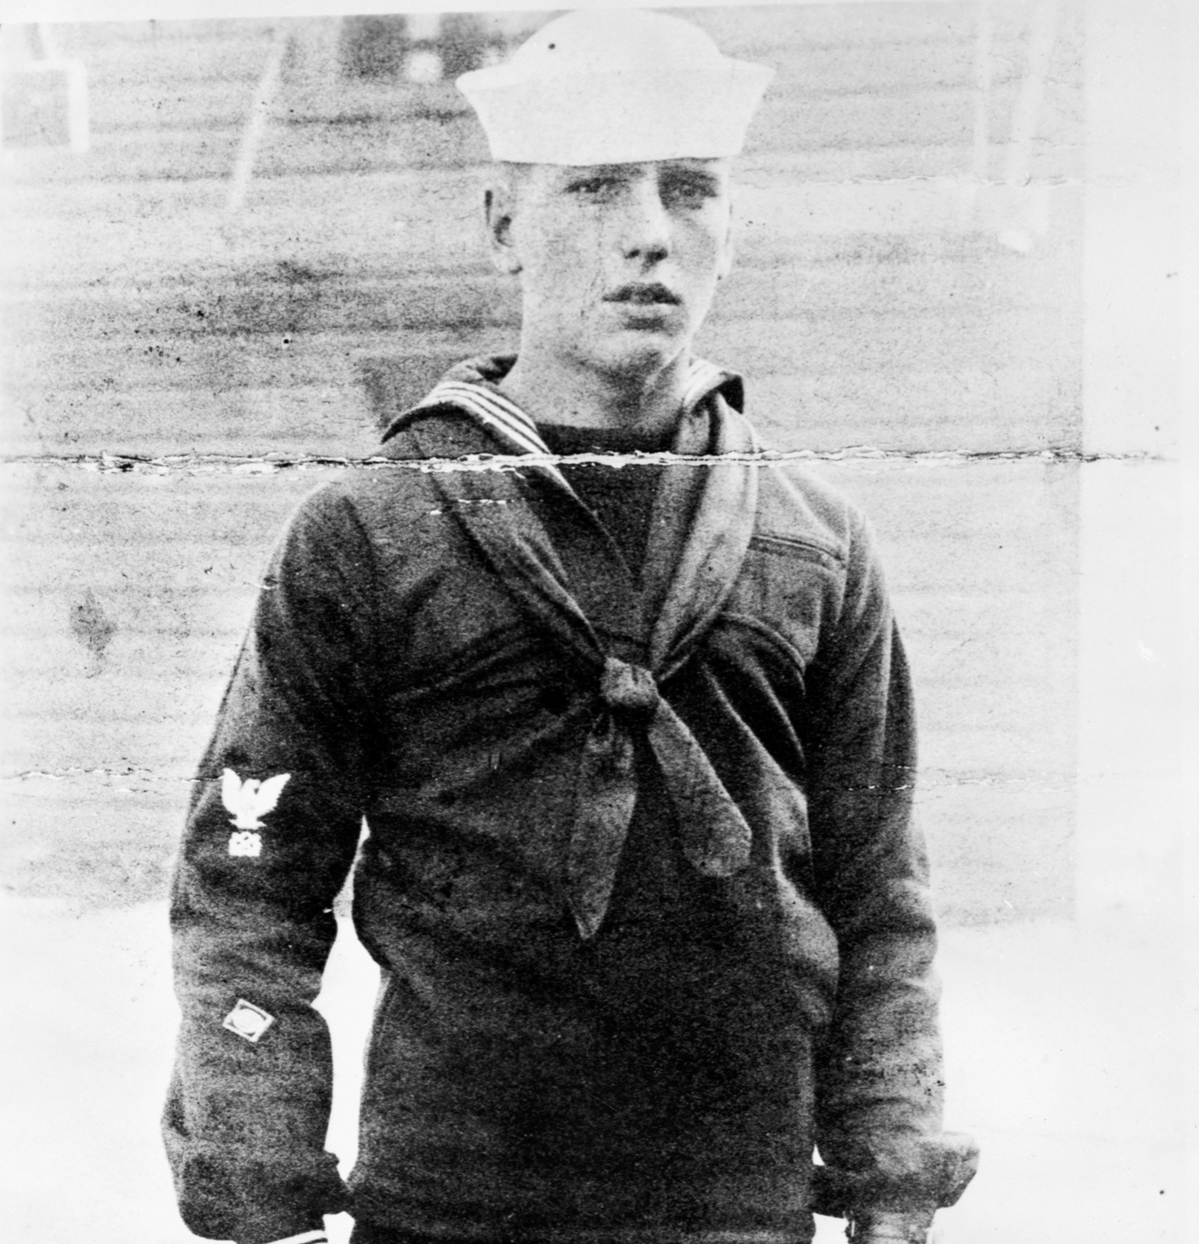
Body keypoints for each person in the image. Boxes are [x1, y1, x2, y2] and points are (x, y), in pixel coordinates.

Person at [163, 11, 977, 1244]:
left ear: (730, 230)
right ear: (501, 223)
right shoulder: (374, 527)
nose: (648, 232)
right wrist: (253, 1146)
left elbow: (878, 892)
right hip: (453, 1189)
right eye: (594, 187)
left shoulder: (813, 542)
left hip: (732, 1196)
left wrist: (890, 1173)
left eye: (689, 189)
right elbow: (248, 870)